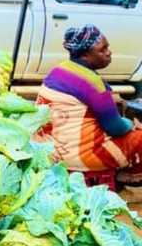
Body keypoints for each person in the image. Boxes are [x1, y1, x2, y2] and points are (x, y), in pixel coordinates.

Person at [34, 25, 142, 188]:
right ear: (85, 55)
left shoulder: (58, 71)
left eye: (108, 47)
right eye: (102, 49)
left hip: (47, 150)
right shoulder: (92, 83)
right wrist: (131, 124)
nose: (109, 52)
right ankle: (128, 176)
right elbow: (115, 128)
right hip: (77, 158)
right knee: (138, 137)